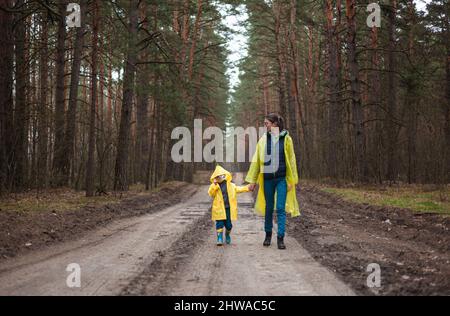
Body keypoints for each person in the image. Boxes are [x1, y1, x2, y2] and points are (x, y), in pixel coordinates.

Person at [246, 113, 300, 250]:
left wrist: (291, 180)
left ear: (275, 124)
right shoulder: (263, 140)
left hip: (281, 179)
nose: (265, 126)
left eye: (267, 123)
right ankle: (268, 235)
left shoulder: (287, 139)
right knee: (269, 208)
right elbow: (257, 160)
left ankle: (280, 238)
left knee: (280, 208)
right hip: (267, 179)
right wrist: (252, 180)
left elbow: (291, 160)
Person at [208, 165, 250, 246]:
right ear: (215, 177)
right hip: (219, 209)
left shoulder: (231, 185)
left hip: (228, 209)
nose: (219, 178)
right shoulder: (214, 186)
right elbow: (211, 193)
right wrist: (214, 185)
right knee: (219, 224)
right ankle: (219, 238)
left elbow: (239, 189)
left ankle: (227, 234)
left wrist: (248, 188)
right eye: (217, 176)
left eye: (220, 176)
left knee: (228, 225)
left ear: (224, 175)